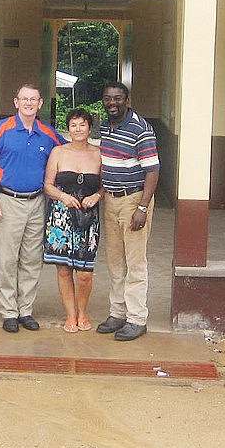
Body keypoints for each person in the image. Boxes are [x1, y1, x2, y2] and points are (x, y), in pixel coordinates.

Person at [0, 83, 65, 333]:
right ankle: (8, 312)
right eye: (24, 99)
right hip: (8, 202)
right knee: (7, 259)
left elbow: (67, 154)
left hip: (37, 202)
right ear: (16, 102)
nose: (28, 103)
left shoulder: (48, 135)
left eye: (33, 99)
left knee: (31, 259)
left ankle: (25, 310)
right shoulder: (2, 129)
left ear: (40, 104)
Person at [96, 82, 160, 341]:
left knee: (135, 263)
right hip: (111, 201)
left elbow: (152, 170)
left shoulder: (140, 129)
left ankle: (136, 319)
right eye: (108, 98)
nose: (113, 103)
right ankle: (117, 312)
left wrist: (142, 208)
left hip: (134, 200)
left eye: (118, 98)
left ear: (127, 100)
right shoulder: (105, 126)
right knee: (114, 261)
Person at [42, 108, 103, 333]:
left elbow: (104, 186)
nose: (78, 129)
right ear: (68, 129)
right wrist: (64, 197)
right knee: (64, 269)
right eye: (73, 125)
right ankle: (70, 315)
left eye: (82, 125)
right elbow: (48, 185)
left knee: (85, 272)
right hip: (60, 218)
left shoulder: (98, 154)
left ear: (89, 128)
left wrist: (96, 195)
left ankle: (83, 312)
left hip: (88, 218)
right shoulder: (58, 152)